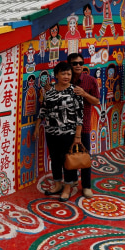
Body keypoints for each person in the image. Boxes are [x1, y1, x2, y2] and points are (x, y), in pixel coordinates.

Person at [34, 61, 83, 202]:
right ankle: (57, 185)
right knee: (55, 159)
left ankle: (67, 188)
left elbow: (80, 116)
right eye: (63, 73)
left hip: (69, 133)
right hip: (51, 132)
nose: (66, 76)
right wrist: (38, 126)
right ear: (56, 75)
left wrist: (78, 136)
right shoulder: (49, 92)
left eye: (69, 73)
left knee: (67, 160)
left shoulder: (75, 91)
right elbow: (43, 109)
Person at [68, 53, 100, 198]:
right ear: (69, 64)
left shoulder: (90, 81)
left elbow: (96, 101)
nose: (78, 66)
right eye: (75, 63)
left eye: (81, 63)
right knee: (68, 154)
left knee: (85, 155)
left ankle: (86, 185)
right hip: (66, 124)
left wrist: (84, 94)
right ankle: (72, 180)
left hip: (84, 124)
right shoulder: (64, 79)